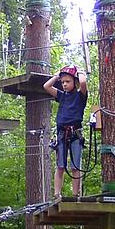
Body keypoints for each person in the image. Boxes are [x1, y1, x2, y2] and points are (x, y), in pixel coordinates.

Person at [43, 66, 88, 198]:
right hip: (62, 134)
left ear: (75, 82)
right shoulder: (62, 96)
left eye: (68, 81)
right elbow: (46, 86)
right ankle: (57, 194)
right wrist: (57, 75)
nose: (64, 84)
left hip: (75, 133)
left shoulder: (80, 96)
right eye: (63, 82)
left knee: (75, 167)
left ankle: (75, 194)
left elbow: (84, 83)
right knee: (60, 165)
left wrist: (79, 71)